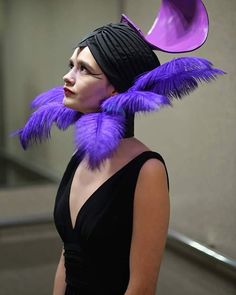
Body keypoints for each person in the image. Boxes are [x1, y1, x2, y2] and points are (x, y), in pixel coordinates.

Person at [15, 3, 223, 295]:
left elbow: (142, 286)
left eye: (84, 69)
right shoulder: (80, 158)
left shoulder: (147, 171)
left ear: (115, 87)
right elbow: (68, 256)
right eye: (71, 65)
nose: (68, 76)